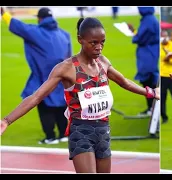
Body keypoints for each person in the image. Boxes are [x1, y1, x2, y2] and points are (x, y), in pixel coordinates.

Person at [1, 17, 160, 173]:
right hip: (81, 131)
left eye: (102, 42)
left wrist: (151, 92)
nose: (99, 47)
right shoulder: (66, 68)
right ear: (80, 40)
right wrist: (7, 120)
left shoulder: (103, 63)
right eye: (94, 43)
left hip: (104, 129)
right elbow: (36, 97)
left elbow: (124, 81)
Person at [1, 7, 72, 144]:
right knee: (61, 102)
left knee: (43, 102)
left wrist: (4, 14)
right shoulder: (64, 34)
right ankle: (64, 134)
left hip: (43, 75)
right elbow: (69, 57)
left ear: (40, 18)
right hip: (63, 75)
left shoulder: (35, 32)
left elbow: (17, 25)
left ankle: (50, 137)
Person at [129, 7, 160, 116]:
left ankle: (151, 109)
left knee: (148, 80)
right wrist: (133, 31)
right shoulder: (150, 19)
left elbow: (140, 38)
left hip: (148, 53)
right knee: (149, 79)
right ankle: (152, 108)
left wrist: (134, 35)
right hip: (150, 52)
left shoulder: (148, 20)